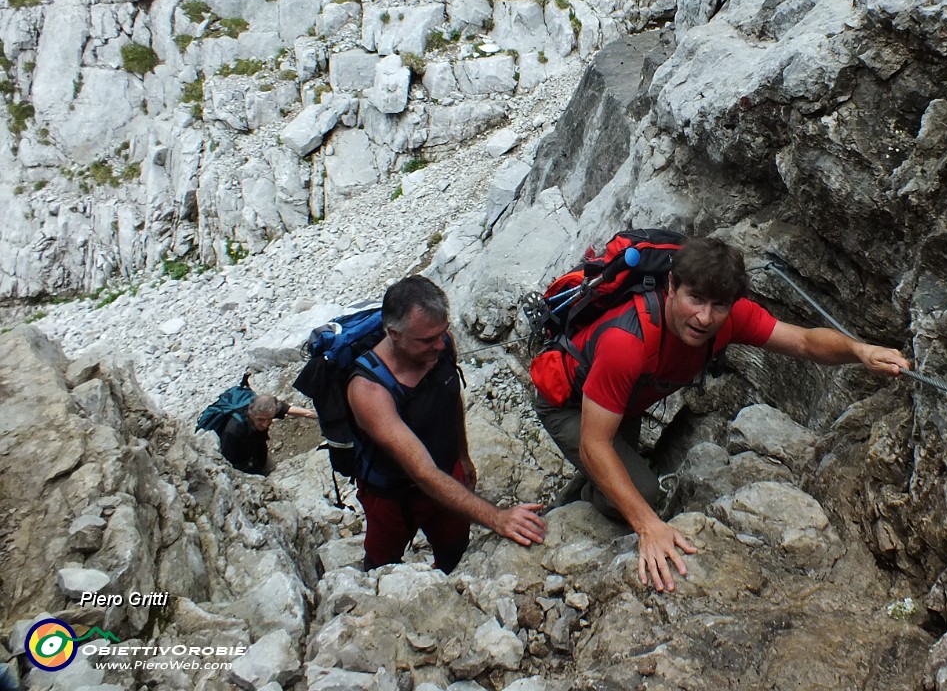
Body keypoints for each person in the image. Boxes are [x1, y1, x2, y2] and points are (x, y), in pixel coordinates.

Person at [534, 236, 910, 593]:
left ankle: (585, 495)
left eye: (718, 305)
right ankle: (573, 509)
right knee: (642, 494)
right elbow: (594, 444)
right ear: (671, 287)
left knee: (617, 484)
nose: (704, 317)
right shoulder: (626, 343)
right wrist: (649, 527)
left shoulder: (729, 319)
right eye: (694, 298)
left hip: (623, 401)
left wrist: (860, 351)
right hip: (568, 401)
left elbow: (804, 342)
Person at [347, 275, 546, 572]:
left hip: (447, 469)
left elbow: (451, 397)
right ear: (394, 334)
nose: (440, 344)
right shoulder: (369, 390)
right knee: (381, 562)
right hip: (393, 496)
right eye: (427, 339)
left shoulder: (441, 347)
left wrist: (462, 455)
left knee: (454, 550)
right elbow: (422, 472)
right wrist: (498, 518)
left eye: (443, 332)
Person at [219, 394, 318, 475]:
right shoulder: (233, 431)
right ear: (251, 414)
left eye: (269, 419)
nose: (265, 424)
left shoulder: (267, 410)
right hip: (242, 466)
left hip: (260, 456)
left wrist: (322, 416)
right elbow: (227, 464)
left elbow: (292, 410)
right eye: (260, 419)